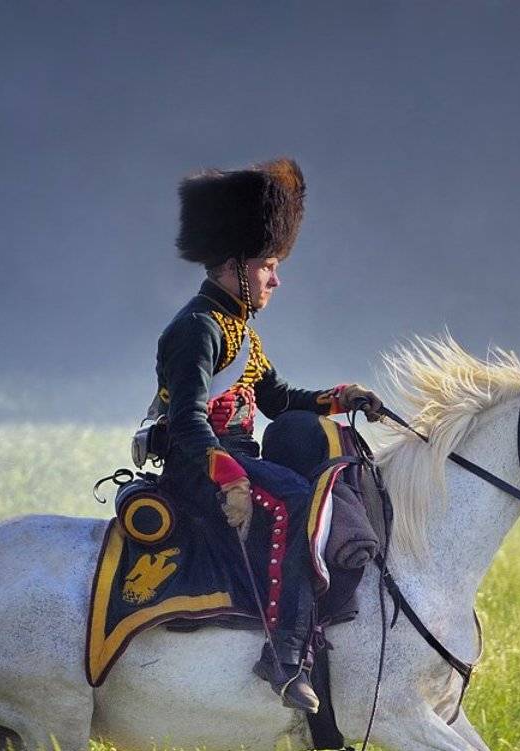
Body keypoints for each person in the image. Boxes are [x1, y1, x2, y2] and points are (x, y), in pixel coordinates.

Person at [152, 158, 384, 711]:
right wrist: (229, 476)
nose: (275, 280)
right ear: (236, 265)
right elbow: (187, 420)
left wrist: (342, 397)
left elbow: (277, 401)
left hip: (237, 462)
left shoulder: (241, 332)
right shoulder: (197, 328)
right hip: (200, 469)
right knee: (295, 499)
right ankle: (283, 657)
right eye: (268, 266)